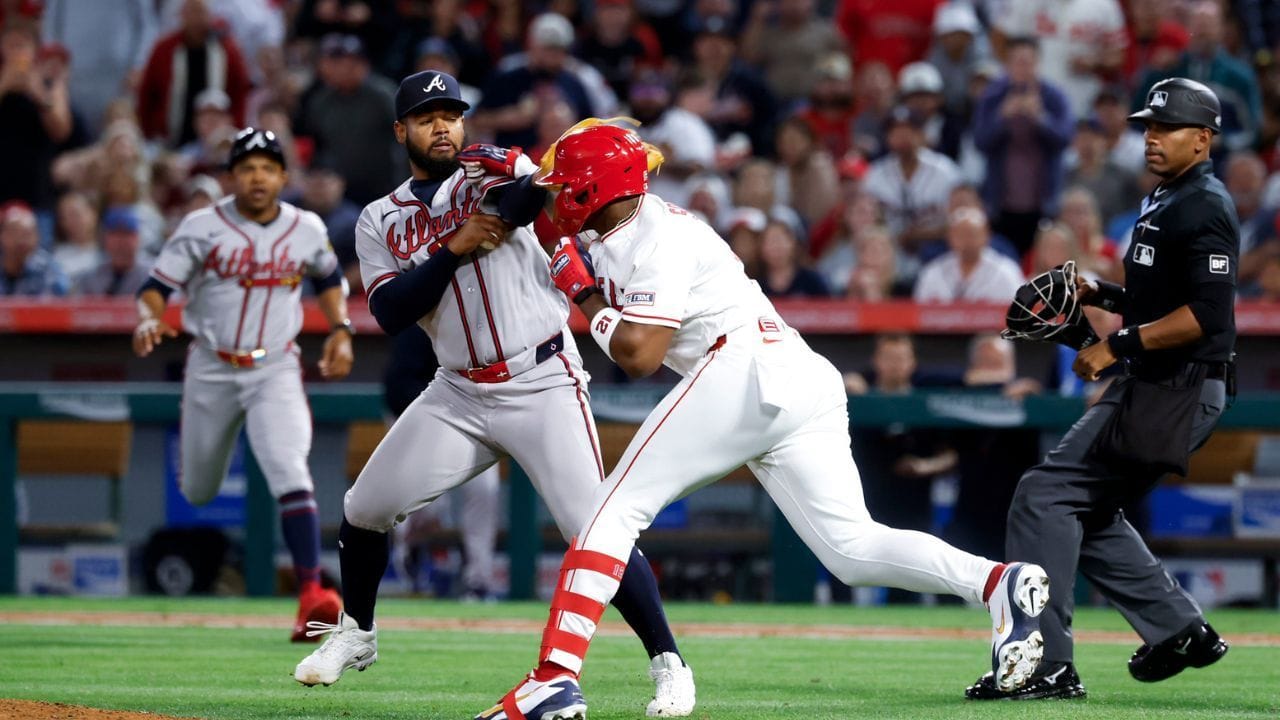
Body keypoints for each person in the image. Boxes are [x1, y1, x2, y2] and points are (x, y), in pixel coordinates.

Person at [476, 121, 1050, 719]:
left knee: (607, 514)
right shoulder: (621, 226)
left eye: (566, 183)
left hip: (744, 365)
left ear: (595, 186)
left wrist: (585, 298)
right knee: (851, 550)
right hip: (793, 377)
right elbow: (545, 212)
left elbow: (640, 356)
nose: (557, 193)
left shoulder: (657, 234)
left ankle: (554, 678)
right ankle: (996, 583)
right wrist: (520, 168)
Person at [290, 72, 697, 718]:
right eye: (426, 117)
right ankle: (357, 635)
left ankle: (669, 663)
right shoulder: (380, 219)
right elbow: (392, 311)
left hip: (540, 378)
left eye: (451, 113)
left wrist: (519, 184)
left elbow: (532, 198)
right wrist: (453, 248)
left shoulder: (490, 172)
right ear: (401, 132)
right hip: (456, 391)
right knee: (364, 506)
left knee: (593, 528)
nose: (442, 126)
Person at [970, 77, 1237, 700]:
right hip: (1158, 382)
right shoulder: (1168, 198)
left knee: (1046, 496)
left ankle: (1045, 665)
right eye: (1148, 126)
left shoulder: (1206, 204)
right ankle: (1178, 631)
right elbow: (1157, 302)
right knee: (1075, 508)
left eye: (1167, 128)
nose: (1152, 137)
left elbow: (1207, 317)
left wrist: (1113, 345)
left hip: (1177, 386)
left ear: (1202, 139)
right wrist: (1101, 294)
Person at [132, 127, 351, 642]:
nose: (257, 176)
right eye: (247, 167)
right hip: (211, 366)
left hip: (275, 366)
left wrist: (340, 329)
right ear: (232, 176)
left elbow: (328, 277)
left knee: (289, 468)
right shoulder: (202, 226)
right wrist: (148, 318)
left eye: (267, 167)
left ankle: (312, 596)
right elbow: (154, 288)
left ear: (282, 175)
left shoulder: (305, 226)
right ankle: (310, 592)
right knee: (199, 488)